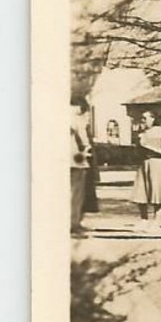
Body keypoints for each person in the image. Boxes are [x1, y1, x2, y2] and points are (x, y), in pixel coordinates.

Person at [129, 112, 161, 228]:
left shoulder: (160, 132)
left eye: (145, 118)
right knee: (141, 191)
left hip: (157, 164)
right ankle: (144, 219)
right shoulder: (142, 133)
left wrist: (146, 146)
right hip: (144, 163)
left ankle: (156, 221)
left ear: (153, 119)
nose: (142, 120)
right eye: (141, 118)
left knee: (157, 192)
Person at [69, 98, 92, 236]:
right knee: (76, 194)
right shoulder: (76, 119)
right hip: (74, 159)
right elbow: (84, 141)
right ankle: (74, 224)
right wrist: (86, 150)